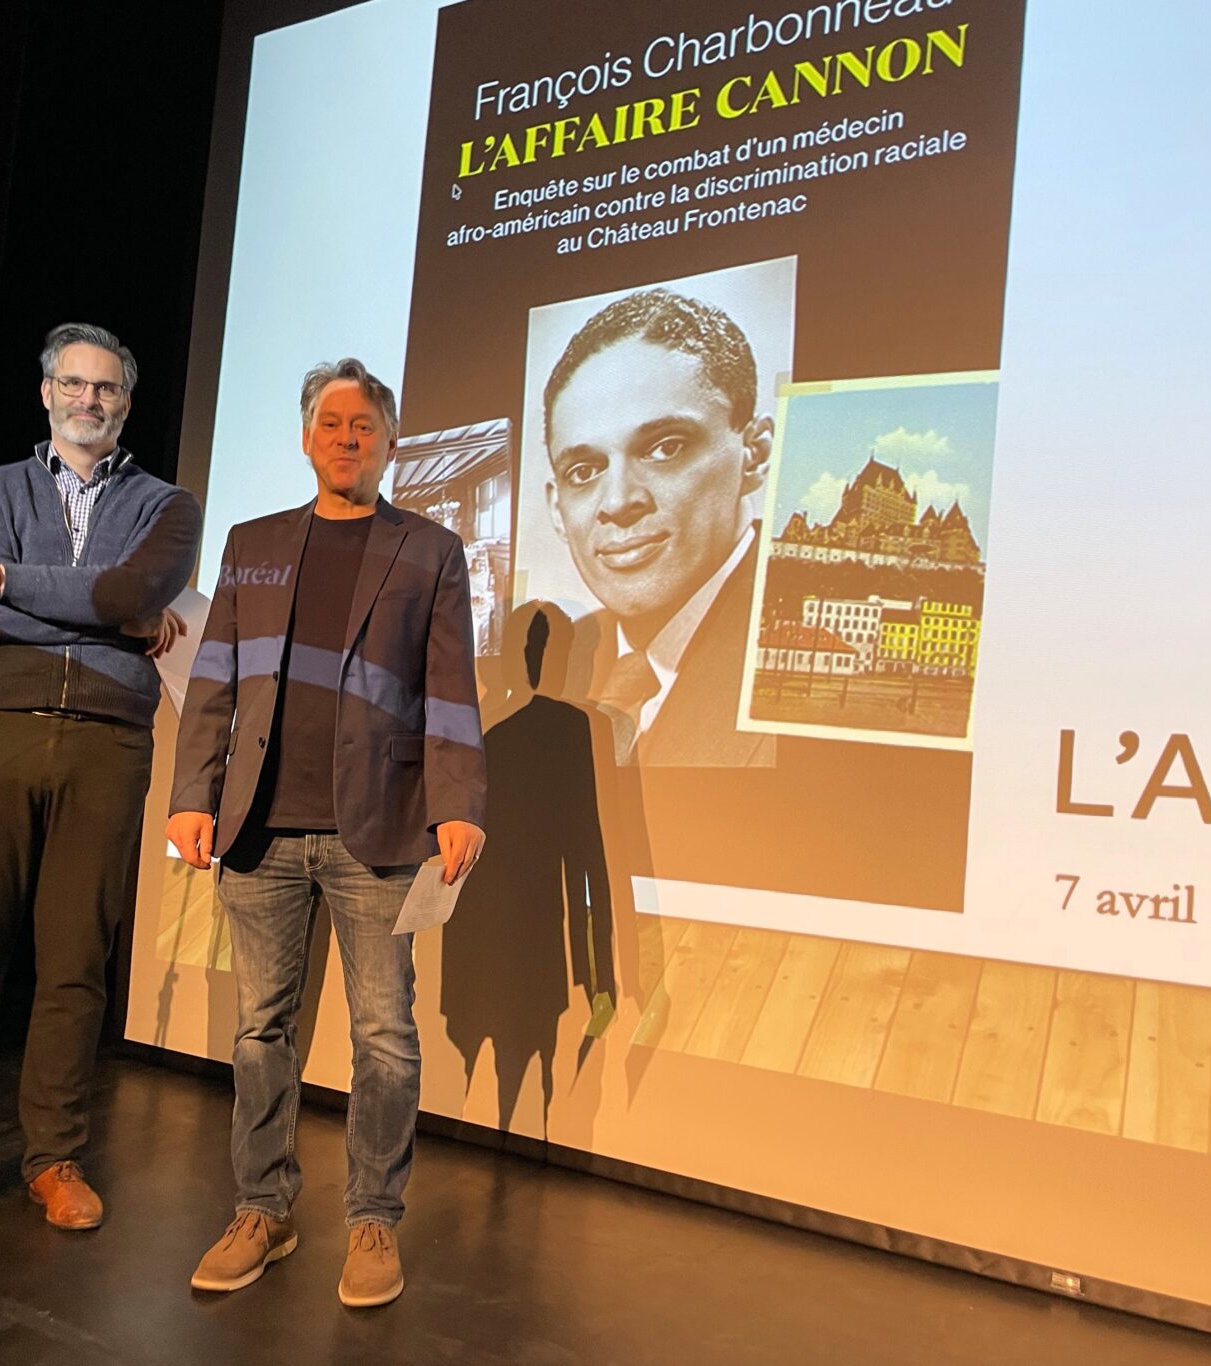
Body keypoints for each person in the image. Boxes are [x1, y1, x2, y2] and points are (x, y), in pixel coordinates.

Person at [0, 322, 201, 1247]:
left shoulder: (166, 504)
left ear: (126, 403)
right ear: (46, 392)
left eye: (105, 388)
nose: (88, 399)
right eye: (72, 383)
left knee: (74, 964)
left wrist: (4, 580)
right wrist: (111, 619)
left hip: (107, 742)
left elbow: (126, 594)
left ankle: (54, 1159)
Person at [167, 358, 486, 1308]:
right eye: (331, 423)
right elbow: (216, 677)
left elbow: (449, 690)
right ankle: (262, 1208)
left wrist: (459, 799)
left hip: (379, 834)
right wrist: (193, 791)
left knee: (385, 1037)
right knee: (262, 1030)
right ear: (307, 438)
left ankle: (373, 1222)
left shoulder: (429, 550)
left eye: (364, 426)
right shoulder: (253, 543)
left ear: (389, 442)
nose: (347, 438)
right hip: (259, 829)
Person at [542, 287, 776, 766]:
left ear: (754, 455)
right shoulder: (548, 670)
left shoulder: (812, 663)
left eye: (665, 447)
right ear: (557, 510)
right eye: (584, 472)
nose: (619, 501)